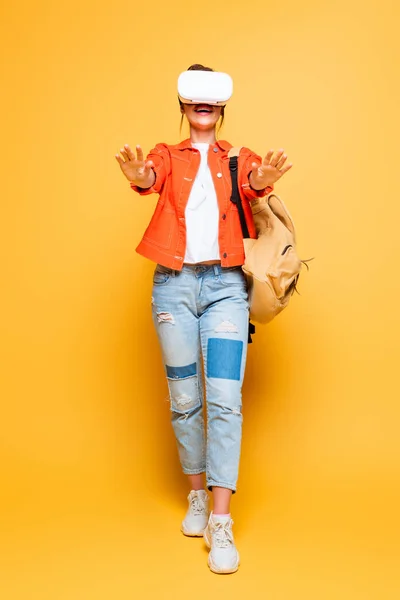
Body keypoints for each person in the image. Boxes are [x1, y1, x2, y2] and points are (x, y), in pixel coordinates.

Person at [115, 63, 292, 574]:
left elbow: (256, 183)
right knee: (185, 397)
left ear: (221, 106)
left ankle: (220, 519)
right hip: (173, 287)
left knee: (226, 399)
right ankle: (196, 493)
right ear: (183, 105)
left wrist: (262, 179)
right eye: (194, 98)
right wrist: (138, 176)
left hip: (225, 290)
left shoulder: (237, 158)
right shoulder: (166, 156)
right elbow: (150, 178)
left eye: (211, 99)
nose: (203, 106)